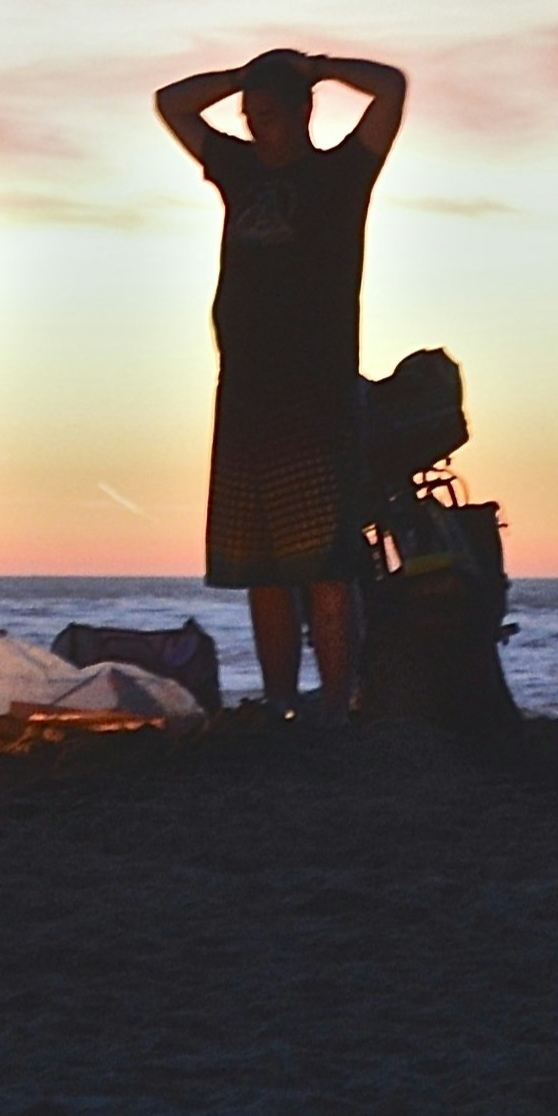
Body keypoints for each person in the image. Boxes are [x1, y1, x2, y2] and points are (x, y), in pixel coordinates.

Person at [154, 48, 408, 718]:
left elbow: (391, 90)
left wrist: (319, 66)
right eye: (250, 115)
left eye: (268, 113)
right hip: (244, 393)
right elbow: (171, 102)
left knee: (325, 565)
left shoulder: (341, 175)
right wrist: (240, 77)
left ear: (301, 113)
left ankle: (337, 699)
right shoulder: (237, 170)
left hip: (316, 395)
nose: (256, 125)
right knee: (259, 567)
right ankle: (279, 699)